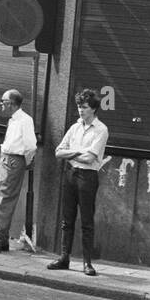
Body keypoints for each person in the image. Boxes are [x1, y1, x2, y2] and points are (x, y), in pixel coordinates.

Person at [47, 89, 109, 276]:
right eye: (79, 107)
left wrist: (71, 152)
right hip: (70, 174)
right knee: (67, 219)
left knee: (87, 221)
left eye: (84, 107)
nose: (80, 111)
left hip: (87, 177)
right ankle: (64, 258)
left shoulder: (101, 130)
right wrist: (77, 152)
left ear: (94, 109)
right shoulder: (74, 127)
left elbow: (90, 158)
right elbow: (58, 152)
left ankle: (87, 263)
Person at [0, 89, 39, 254]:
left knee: (4, 201)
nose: (1, 104)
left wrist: (25, 162)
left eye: (3, 101)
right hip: (8, 159)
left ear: (12, 103)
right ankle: (3, 239)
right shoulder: (14, 120)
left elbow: (30, 145)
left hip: (13, 160)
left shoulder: (24, 120)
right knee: (0, 199)